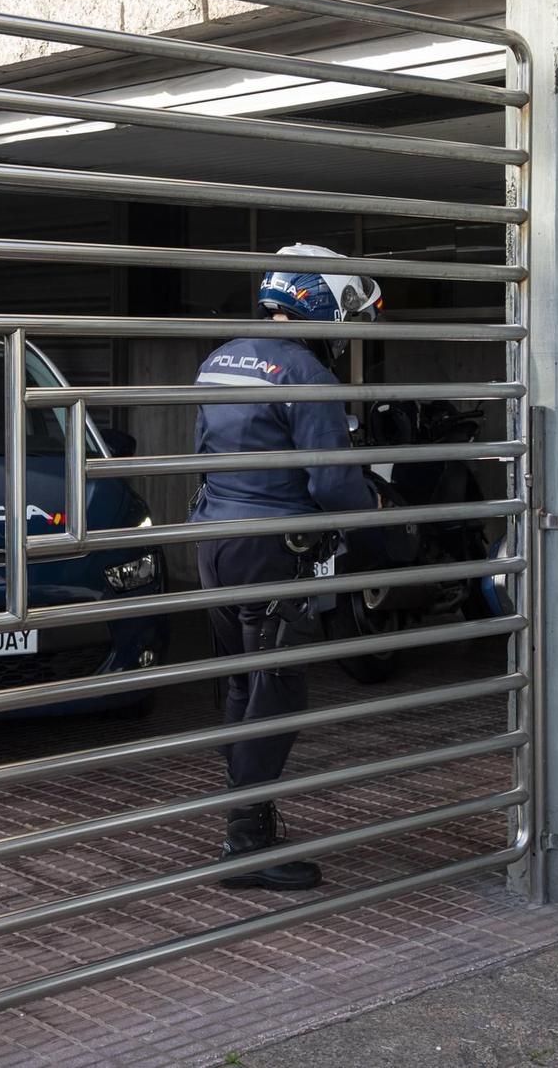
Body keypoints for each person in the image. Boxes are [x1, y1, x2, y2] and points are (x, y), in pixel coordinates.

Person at [191, 243, 383, 890]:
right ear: (317, 299)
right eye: (345, 308)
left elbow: (201, 456)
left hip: (213, 542)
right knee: (277, 690)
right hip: (273, 551)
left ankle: (253, 822)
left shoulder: (219, 360)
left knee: (241, 687)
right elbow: (332, 484)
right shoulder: (306, 374)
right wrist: (373, 510)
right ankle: (245, 843)